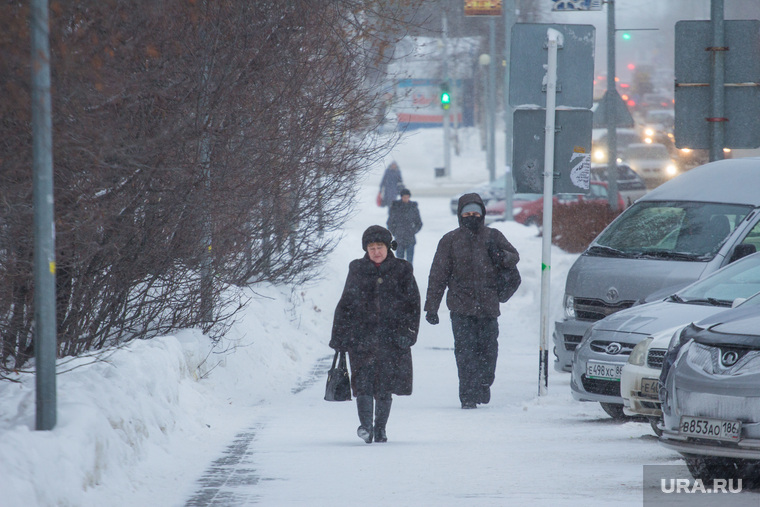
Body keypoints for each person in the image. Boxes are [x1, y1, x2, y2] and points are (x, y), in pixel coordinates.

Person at [423, 193, 520, 409]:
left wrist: (500, 256)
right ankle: (467, 395)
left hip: (488, 306)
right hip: (461, 307)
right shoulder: (450, 240)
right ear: (460, 215)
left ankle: (483, 384)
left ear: (482, 214)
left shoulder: (494, 235)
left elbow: (514, 256)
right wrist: (432, 308)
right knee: (465, 352)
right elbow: (437, 275)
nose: (471, 217)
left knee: (488, 351)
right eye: (467, 213)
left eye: (475, 213)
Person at [329, 225, 421, 443]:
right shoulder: (357, 269)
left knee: (384, 385)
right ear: (366, 249)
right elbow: (346, 304)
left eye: (380, 247)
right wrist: (340, 336)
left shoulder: (402, 269)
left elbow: (413, 305)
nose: (376, 252)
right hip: (361, 338)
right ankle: (365, 427)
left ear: (388, 248)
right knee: (362, 383)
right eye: (371, 248)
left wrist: (408, 332)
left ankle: (380, 428)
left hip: (392, 339)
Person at [386, 188, 423, 264]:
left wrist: (413, 230)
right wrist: (395, 232)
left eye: (407, 197)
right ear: (401, 197)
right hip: (399, 238)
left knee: (409, 260)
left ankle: (408, 274)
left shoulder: (413, 208)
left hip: (410, 238)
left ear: (409, 197)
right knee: (399, 260)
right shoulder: (396, 207)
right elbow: (390, 222)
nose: (405, 198)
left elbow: (419, 223)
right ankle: (400, 274)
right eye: (404, 197)